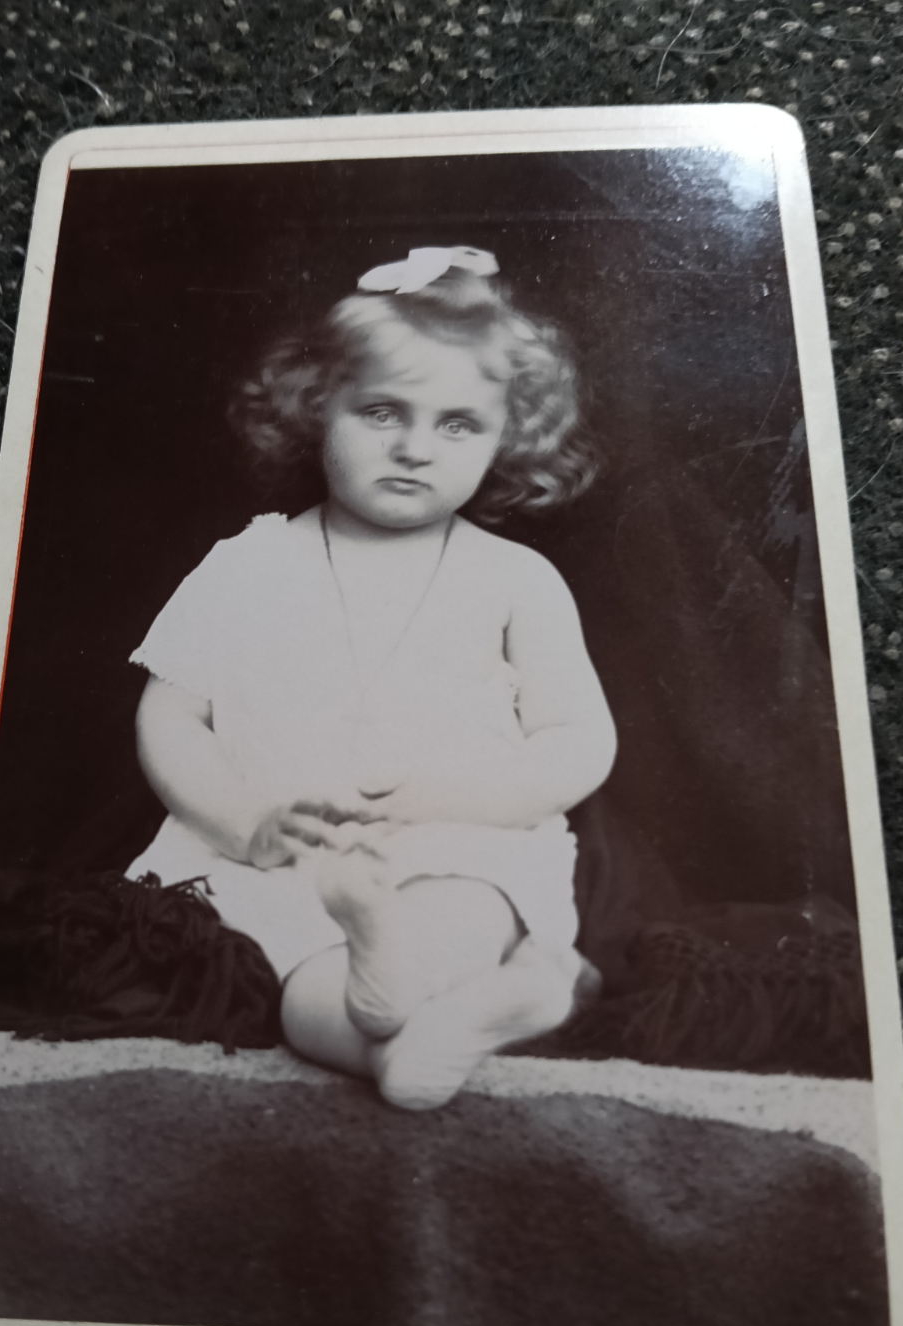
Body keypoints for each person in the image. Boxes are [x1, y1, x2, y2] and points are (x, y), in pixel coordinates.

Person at [127, 245, 617, 1109]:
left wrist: (463, 797)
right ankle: (426, 1021)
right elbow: (170, 717)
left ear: (510, 434)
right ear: (320, 409)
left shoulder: (515, 579)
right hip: (282, 854)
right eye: (383, 412)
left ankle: (412, 998)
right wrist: (246, 823)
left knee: (467, 903)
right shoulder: (246, 563)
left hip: (458, 840)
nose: (415, 449)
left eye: (458, 424)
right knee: (291, 991)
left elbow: (578, 738)